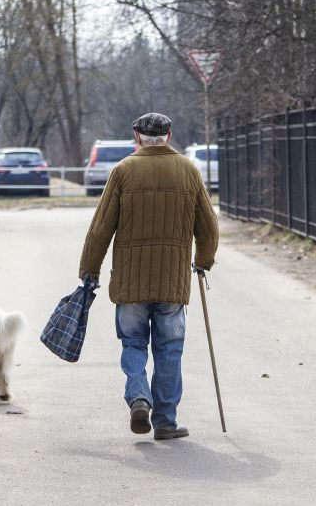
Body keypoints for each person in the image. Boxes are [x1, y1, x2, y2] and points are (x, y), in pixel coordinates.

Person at [79, 112, 219, 439]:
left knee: (133, 343)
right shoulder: (188, 171)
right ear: (169, 135)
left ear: (136, 137)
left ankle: (139, 396)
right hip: (172, 283)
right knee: (170, 350)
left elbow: (100, 229)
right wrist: (204, 261)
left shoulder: (123, 171)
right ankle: (166, 422)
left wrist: (90, 270)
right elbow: (209, 227)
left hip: (130, 284)